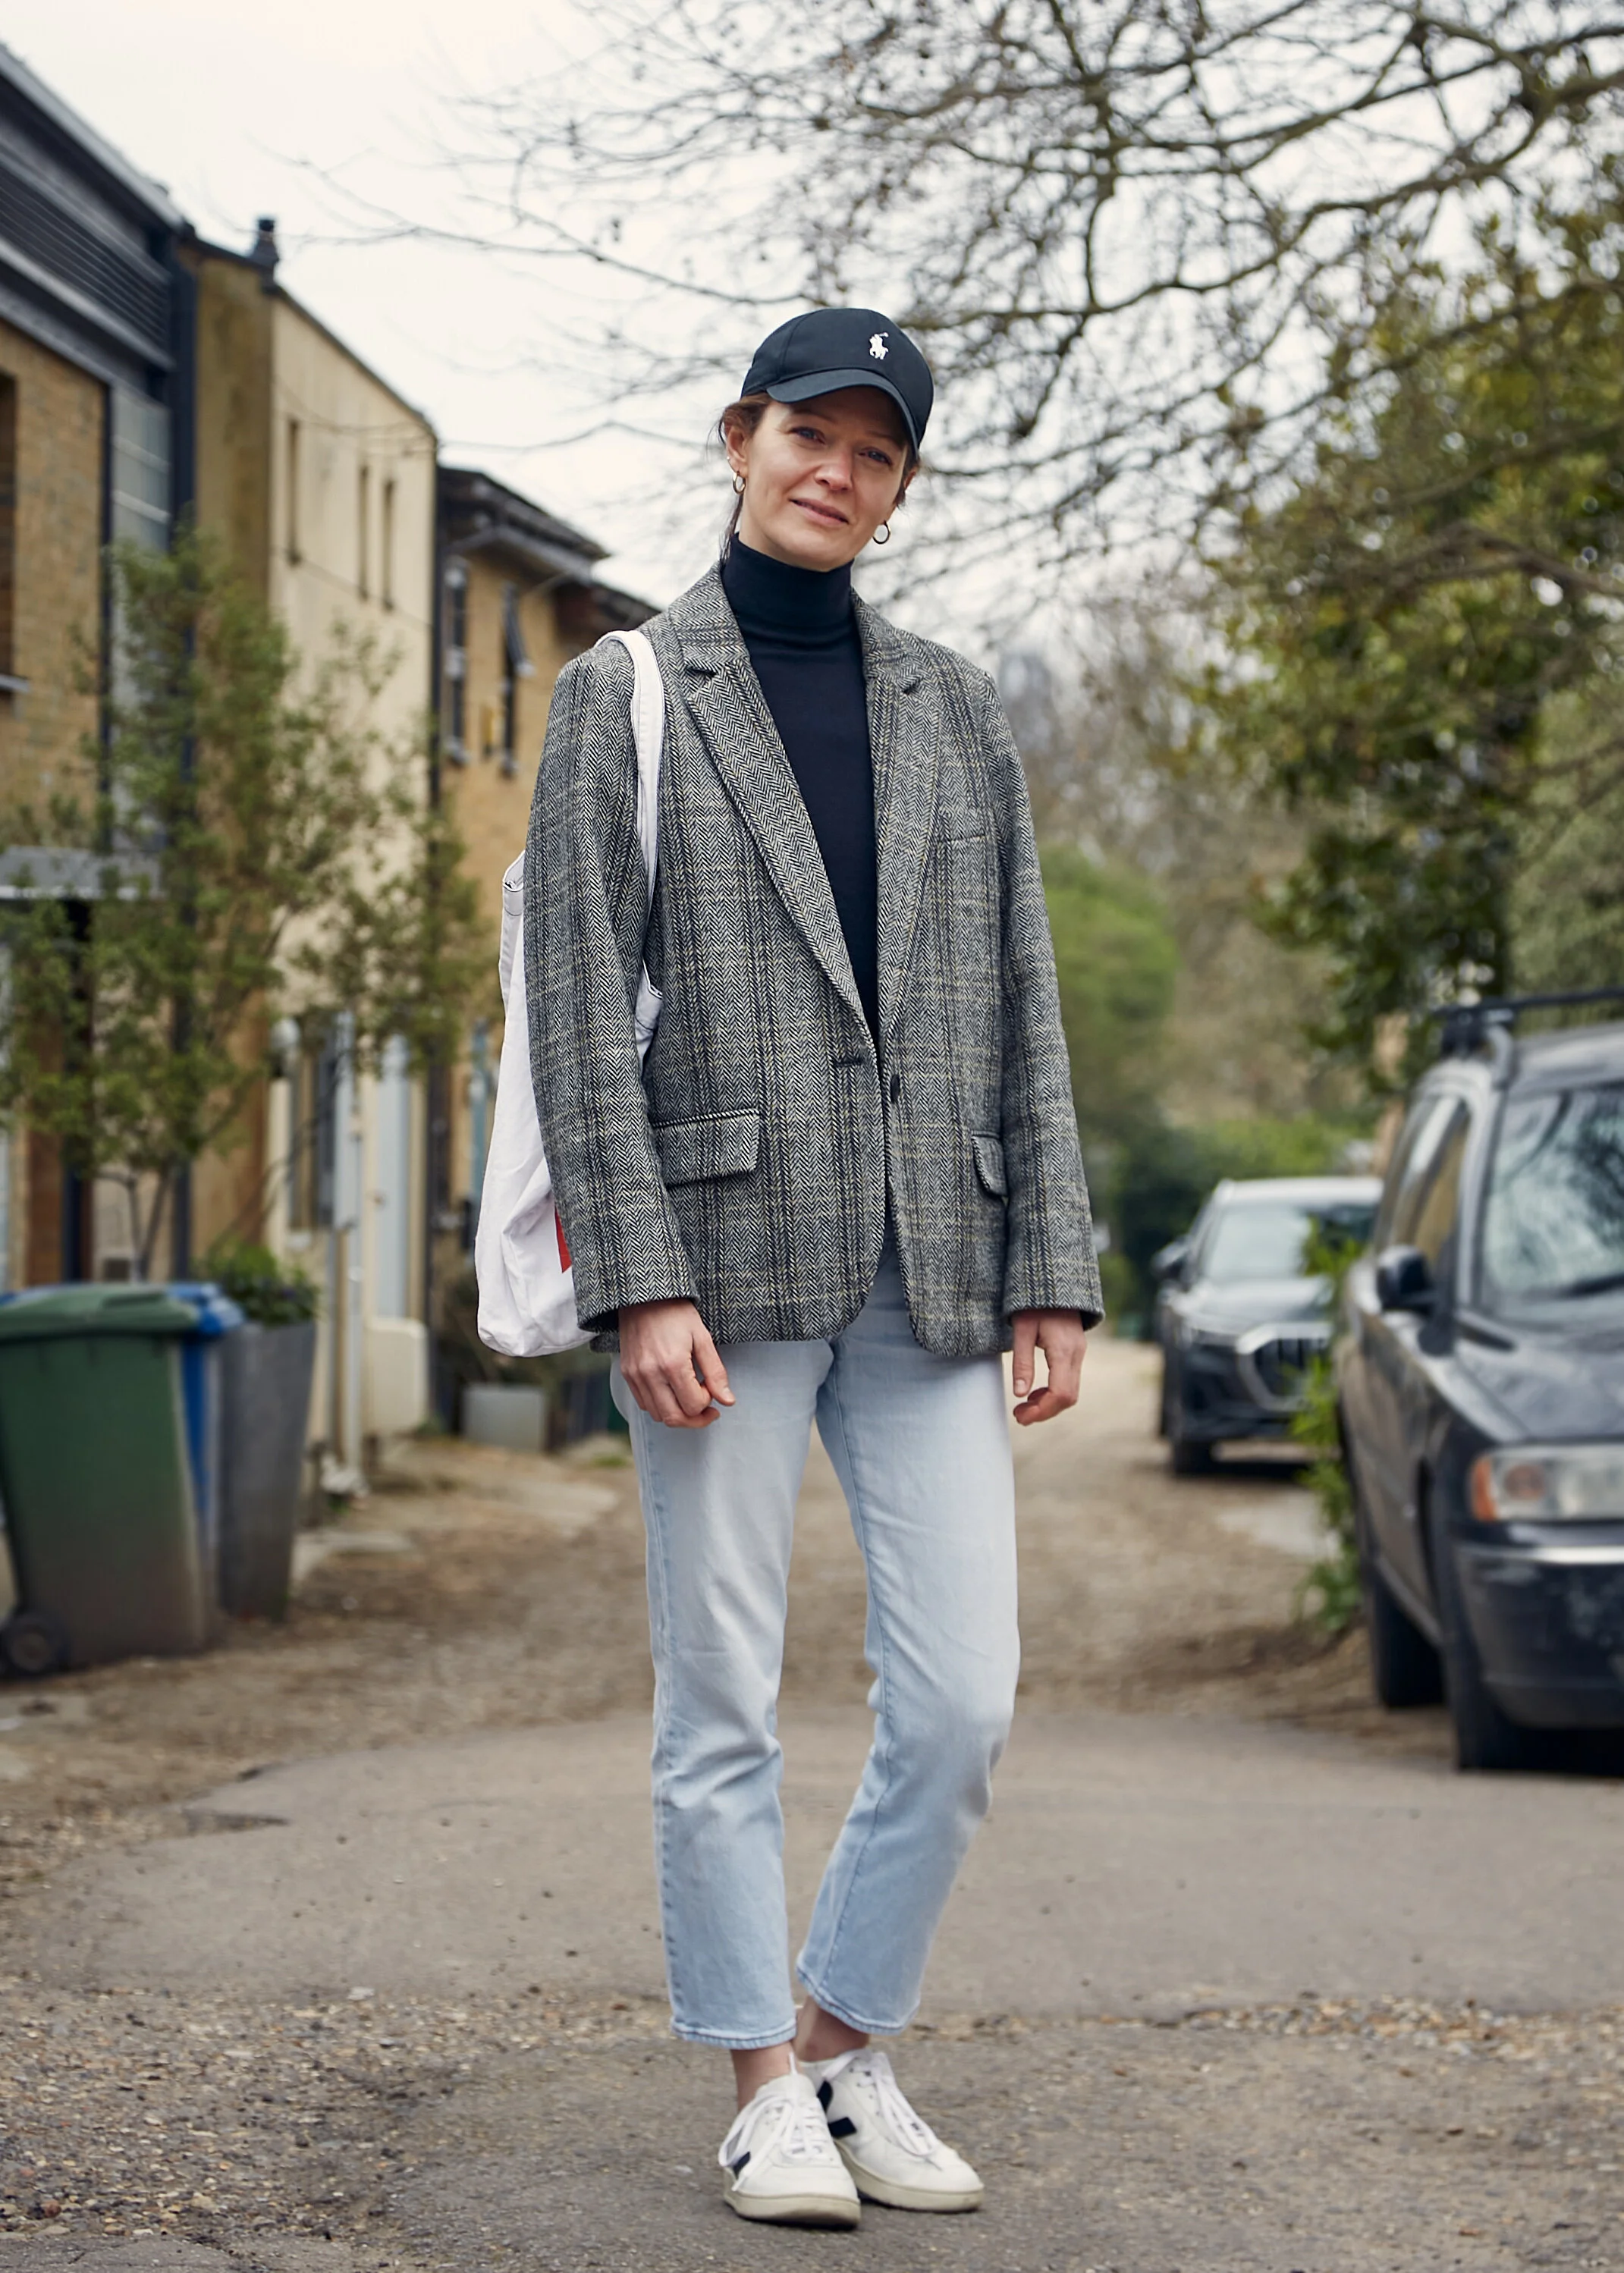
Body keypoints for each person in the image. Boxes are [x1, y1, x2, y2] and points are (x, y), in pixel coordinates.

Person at [528, 306, 1101, 2228]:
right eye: (807, 435)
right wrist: (636, 1274)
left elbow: (1018, 995)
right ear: (739, 438)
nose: (834, 473)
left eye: (873, 452)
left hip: (933, 1259)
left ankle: (843, 2035)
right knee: (723, 1700)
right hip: (715, 1259)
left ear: (898, 485)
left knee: (960, 1701)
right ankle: (757, 2086)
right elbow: (573, 1004)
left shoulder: (952, 705)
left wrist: (1051, 1261)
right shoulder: (625, 690)